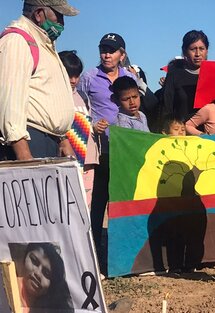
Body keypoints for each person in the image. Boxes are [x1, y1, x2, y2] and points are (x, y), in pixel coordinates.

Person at [78, 32, 136, 262]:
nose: (106, 54)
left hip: (126, 150)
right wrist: (92, 125)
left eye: (112, 50)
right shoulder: (89, 77)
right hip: (103, 148)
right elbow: (78, 109)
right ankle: (94, 252)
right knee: (99, 200)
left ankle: (120, 251)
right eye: (103, 49)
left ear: (122, 54)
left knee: (122, 200)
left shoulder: (129, 76)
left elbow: (144, 103)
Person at [0, 0, 79, 161]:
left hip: (49, 142)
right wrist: (24, 155)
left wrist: (62, 139)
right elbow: (10, 104)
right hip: (29, 142)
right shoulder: (17, 41)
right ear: (39, 14)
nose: (62, 23)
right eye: (58, 16)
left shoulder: (43, 44)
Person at [59, 50, 100, 209]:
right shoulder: (53, 96)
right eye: (70, 75)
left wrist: (96, 128)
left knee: (85, 203)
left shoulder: (83, 96)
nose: (73, 80)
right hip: (66, 159)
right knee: (66, 204)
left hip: (87, 159)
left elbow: (88, 124)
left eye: (77, 75)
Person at [162, 30, 209, 121]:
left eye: (201, 49)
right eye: (193, 49)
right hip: (181, 131)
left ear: (206, 50)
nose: (197, 54)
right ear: (185, 51)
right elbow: (167, 106)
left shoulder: (214, 74)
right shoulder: (174, 72)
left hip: (208, 133)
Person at [17, 243, 72, 311]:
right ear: (25, 258)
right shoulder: (6, 287)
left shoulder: (55, 308)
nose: (37, 273)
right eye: (34, 261)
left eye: (46, 273)